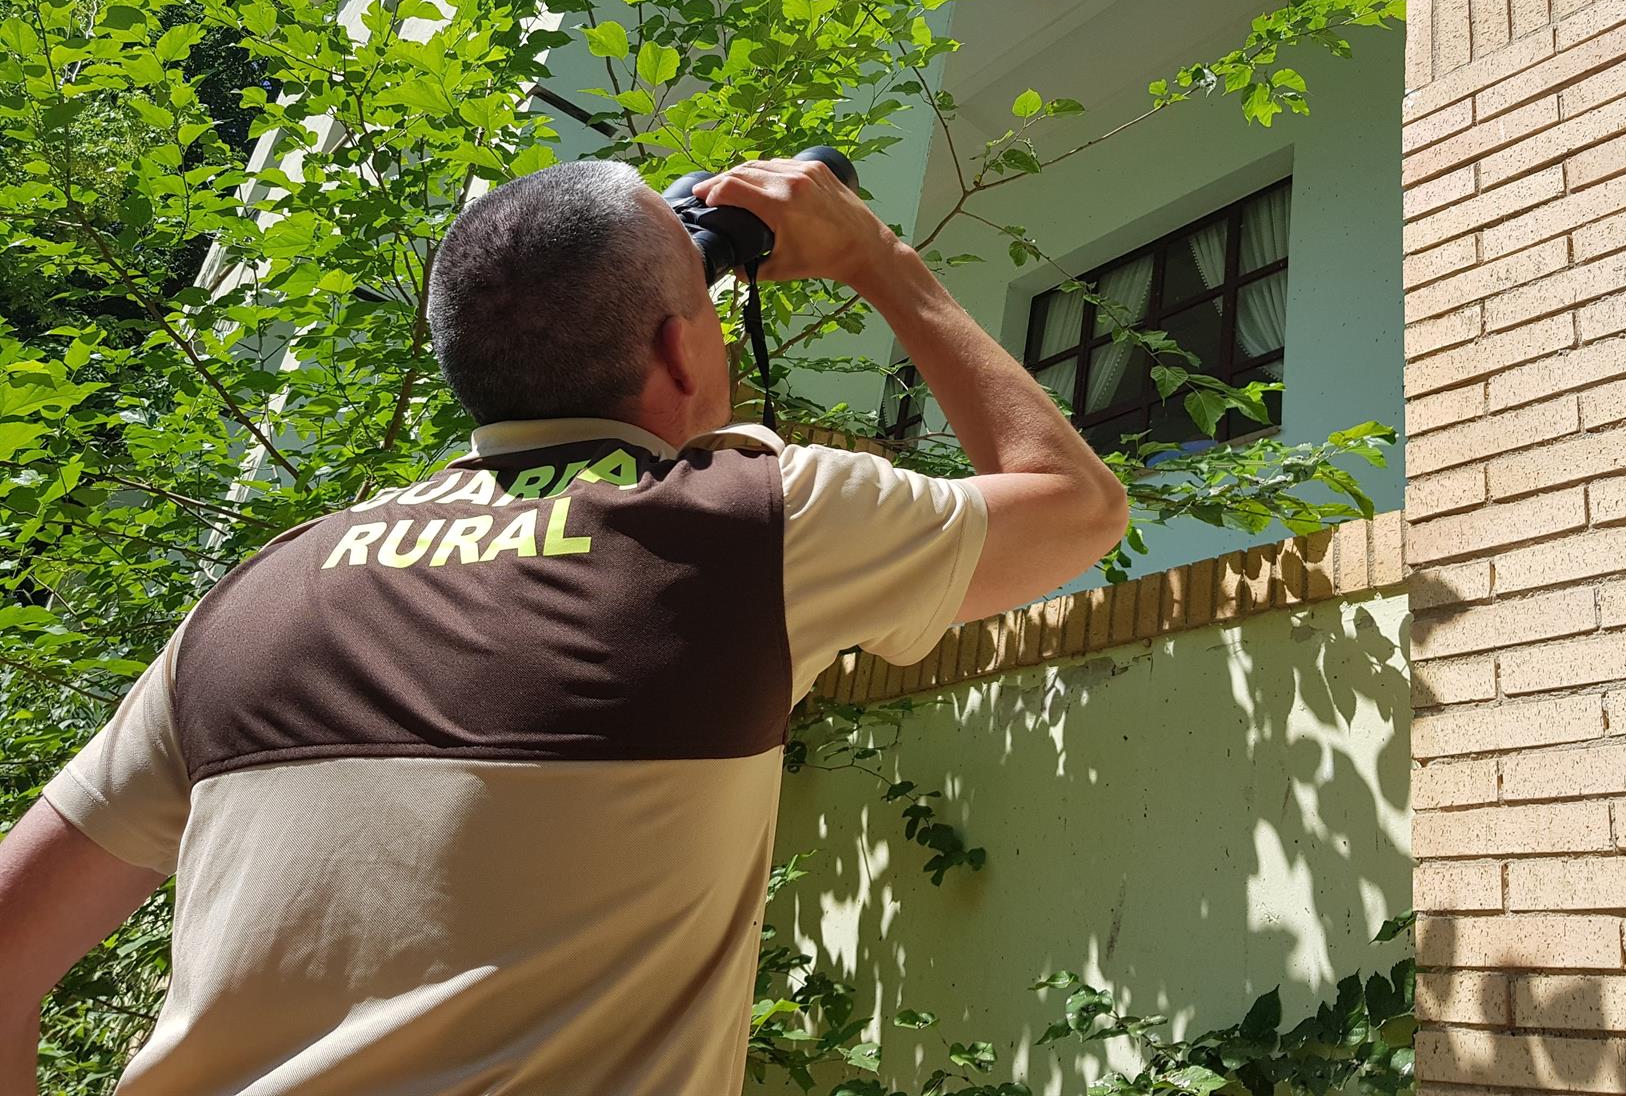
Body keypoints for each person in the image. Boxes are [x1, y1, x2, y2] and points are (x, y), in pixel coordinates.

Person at [0, 156, 1129, 1095]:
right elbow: (1078, 510)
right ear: (683, 352)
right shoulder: (749, 525)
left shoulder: (252, 599)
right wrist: (876, 257)